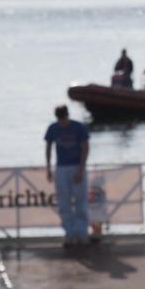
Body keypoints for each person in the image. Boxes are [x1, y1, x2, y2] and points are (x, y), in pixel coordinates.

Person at [44, 105, 91, 247]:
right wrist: (48, 167)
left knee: (80, 201)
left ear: (67, 115)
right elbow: (48, 148)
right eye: (59, 119)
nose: (62, 122)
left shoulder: (78, 127)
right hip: (61, 167)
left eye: (63, 118)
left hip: (76, 165)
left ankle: (82, 232)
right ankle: (69, 233)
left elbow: (85, 147)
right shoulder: (53, 128)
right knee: (64, 202)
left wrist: (81, 168)